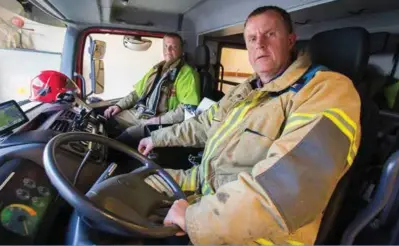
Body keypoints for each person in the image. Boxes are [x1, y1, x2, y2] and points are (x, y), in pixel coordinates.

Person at [137, 6, 361, 245]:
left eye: (270, 34)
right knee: (132, 186)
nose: (259, 44)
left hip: (260, 233)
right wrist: (156, 138)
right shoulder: (247, 90)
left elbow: (287, 188)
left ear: (290, 41)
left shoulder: (327, 90)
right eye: (252, 38)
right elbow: (203, 124)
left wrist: (194, 218)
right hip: (207, 187)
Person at [104, 33, 200, 142]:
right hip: (141, 112)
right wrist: (119, 106)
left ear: (181, 50)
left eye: (173, 47)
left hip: (161, 118)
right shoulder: (157, 69)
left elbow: (187, 110)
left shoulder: (187, 74)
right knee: (108, 120)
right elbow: (137, 93)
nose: (168, 50)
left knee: (124, 138)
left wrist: (158, 120)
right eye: (165, 46)